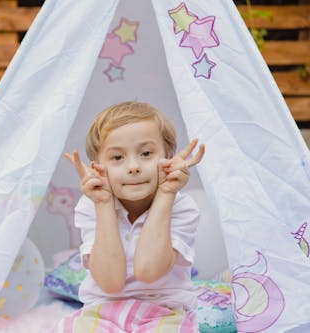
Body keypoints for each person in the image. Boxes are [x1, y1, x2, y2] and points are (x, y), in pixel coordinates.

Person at [53, 101, 205, 332]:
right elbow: (110, 283)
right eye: (117, 158)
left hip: (164, 310)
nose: (133, 166)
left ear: (168, 157)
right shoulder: (90, 205)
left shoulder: (182, 206)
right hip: (103, 309)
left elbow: (148, 271)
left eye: (146, 153)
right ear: (97, 167)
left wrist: (166, 193)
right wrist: (103, 204)